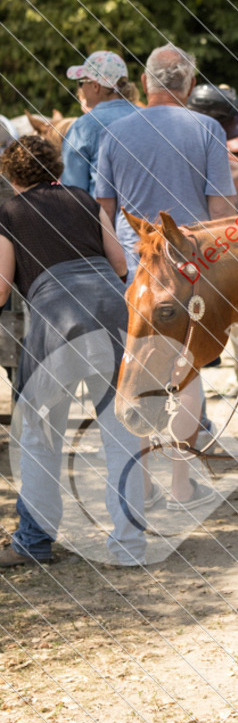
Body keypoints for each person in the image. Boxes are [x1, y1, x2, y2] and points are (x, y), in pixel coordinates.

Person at [95, 43, 237, 507]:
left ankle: (140, 487)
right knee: (187, 372)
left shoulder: (113, 133)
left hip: (137, 268)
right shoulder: (208, 128)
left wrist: (122, 267)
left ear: (143, 84)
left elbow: (105, 209)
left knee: (136, 368)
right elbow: (220, 210)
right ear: (190, 85)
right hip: (189, 271)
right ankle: (181, 485)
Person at [0, 136, 146, 567]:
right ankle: (128, 547)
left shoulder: (8, 212)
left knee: (39, 436)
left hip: (57, 325)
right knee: (121, 434)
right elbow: (120, 263)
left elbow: (2, 287)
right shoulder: (83, 198)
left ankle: (34, 541)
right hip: (112, 316)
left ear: (9, 176)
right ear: (55, 168)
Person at [61, 51, 140, 197]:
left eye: (81, 82)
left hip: (100, 217)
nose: (80, 89)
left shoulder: (83, 127)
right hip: (149, 218)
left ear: (96, 86)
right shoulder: (146, 117)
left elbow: (73, 192)